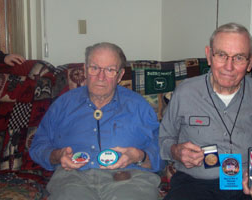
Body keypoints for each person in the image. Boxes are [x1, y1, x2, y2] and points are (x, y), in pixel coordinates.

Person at [159, 23, 252, 200]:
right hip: (195, 184)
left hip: (249, 183)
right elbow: (163, 139)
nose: (228, 67)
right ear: (209, 55)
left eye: (239, 57)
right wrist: (176, 151)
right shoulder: (185, 92)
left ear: (250, 61)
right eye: (222, 55)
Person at [30, 42, 164, 200]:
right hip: (72, 180)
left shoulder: (139, 106)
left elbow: (161, 151)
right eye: (94, 68)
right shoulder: (63, 104)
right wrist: (57, 155)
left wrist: (139, 156)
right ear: (85, 70)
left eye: (109, 70)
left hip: (129, 179)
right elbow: (38, 145)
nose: (101, 77)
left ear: (120, 75)